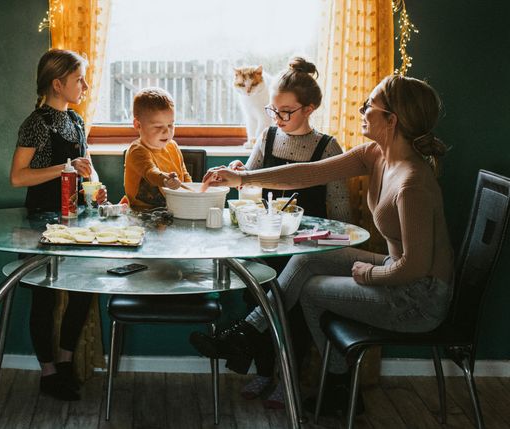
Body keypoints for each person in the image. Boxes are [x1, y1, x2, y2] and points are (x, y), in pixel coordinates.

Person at [191, 75, 453, 416]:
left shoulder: (412, 182)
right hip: (398, 271)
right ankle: (251, 332)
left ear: (392, 120)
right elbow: (307, 173)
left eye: (369, 106)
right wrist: (243, 178)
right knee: (305, 259)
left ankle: (338, 384)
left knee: (311, 290)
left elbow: (416, 266)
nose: (362, 111)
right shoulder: (376, 154)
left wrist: (370, 274)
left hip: (419, 296)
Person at [209, 57, 353, 409]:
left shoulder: (327, 149)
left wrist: (332, 248)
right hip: (268, 242)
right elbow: (253, 182)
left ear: (310, 108)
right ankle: (264, 370)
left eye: (286, 112)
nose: (276, 118)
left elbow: (340, 211)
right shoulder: (268, 136)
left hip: (307, 249)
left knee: (295, 314)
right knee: (254, 297)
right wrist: (241, 171)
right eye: (274, 109)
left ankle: (287, 375)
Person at [10, 49, 106, 401]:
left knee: (82, 289)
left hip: (75, 219)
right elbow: (18, 177)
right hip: (40, 223)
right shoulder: (35, 123)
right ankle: (48, 371)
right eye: (79, 78)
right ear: (57, 83)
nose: (85, 85)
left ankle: (65, 362)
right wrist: (65, 167)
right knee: (45, 298)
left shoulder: (77, 121)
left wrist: (95, 189)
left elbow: (88, 167)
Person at [123, 87, 192, 211]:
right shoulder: (137, 150)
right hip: (141, 213)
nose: (166, 131)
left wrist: (193, 193)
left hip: (172, 209)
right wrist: (165, 180)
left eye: (171, 125)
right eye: (158, 126)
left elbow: (184, 175)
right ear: (138, 125)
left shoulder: (173, 146)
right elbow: (150, 173)